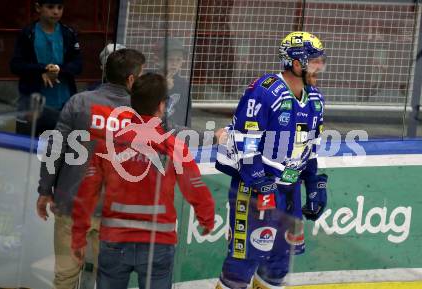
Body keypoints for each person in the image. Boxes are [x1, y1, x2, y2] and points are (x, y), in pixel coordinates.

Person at [70, 72, 215, 289]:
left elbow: (87, 191)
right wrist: (207, 219)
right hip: (158, 243)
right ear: (162, 106)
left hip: (114, 240)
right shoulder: (173, 146)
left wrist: (79, 235)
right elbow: (195, 187)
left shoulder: (108, 144)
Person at [215, 31, 329, 289]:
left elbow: (310, 146)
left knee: (279, 261)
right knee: (242, 262)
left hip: (289, 191)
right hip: (256, 188)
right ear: (297, 63)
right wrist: (259, 180)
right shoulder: (266, 91)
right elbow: (245, 139)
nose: (320, 66)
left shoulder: (315, 99)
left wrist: (313, 183)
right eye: (315, 60)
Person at [36, 48, 145, 289]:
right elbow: (174, 137)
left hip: (72, 206)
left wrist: (44, 190)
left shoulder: (79, 102)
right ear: (131, 79)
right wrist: (214, 136)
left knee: (65, 278)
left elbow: (55, 148)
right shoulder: (141, 113)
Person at [10, 0, 82, 136]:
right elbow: (16, 65)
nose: (56, 11)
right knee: (26, 149)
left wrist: (57, 69)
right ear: (38, 7)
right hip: (32, 106)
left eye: (60, 7)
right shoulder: (28, 33)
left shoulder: (69, 33)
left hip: (63, 106)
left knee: (58, 150)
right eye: (50, 7)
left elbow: (78, 65)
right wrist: (42, 70)